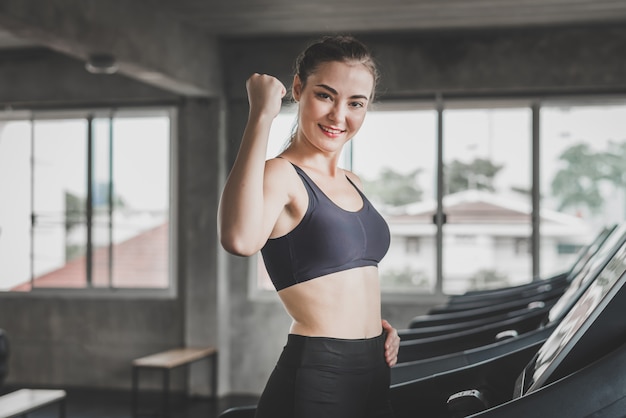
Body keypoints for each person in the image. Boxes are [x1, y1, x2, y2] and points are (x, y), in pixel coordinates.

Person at [218, 35, 400, 418]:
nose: (338, 116)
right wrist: (261, 114)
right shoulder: (281, 175)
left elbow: (353, 279)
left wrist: (374, 329)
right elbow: (239, 239)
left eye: (355, 103)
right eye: (325, 95)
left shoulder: (354, 182)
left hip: (375, 365)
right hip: (322, 369)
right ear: (298, 89)